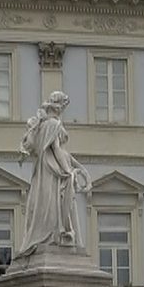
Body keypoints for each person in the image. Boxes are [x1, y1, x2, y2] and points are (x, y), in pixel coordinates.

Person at [19, 91, 90, 256]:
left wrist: (79, 168)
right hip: (53, 173)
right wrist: (67, 171)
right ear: (59, 107)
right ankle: (54, 235)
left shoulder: (42, 125)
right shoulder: (52, 125)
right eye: (64, 106)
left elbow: (64, 154)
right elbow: (57, 150)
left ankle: (48, 234)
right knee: (52, 207)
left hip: (44, 172)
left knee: (43, 206)